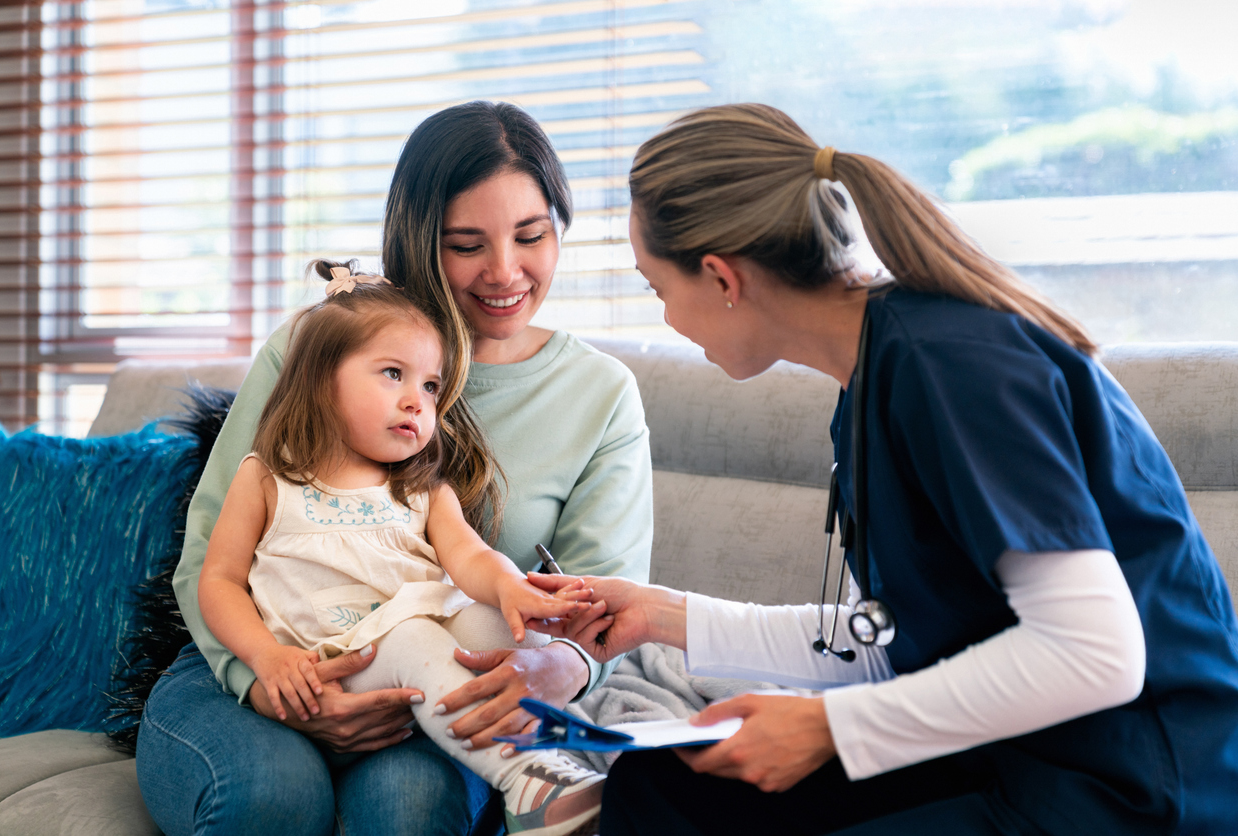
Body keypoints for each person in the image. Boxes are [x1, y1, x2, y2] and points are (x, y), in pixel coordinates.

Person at [529, 103, 1238, 835]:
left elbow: (1096, 654)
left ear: (720, 276)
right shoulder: (873, 379)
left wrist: (827, 727)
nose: (666, 318)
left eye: (657, 289)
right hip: (1009, 749)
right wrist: (663, 616)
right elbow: (894, 641)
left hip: (1124, 784)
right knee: (664, 788)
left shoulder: (950, 367)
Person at [136, 102, 653, 836]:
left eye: (530, 235)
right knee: (271, 797)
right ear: (418, 239)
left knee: (405, 811)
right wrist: (273, 684)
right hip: (270, 650)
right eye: (466, 243)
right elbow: (207, 563)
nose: (504, 271)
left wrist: (547, 669)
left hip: (434, 681)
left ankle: (541, 770)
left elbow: (593, 605)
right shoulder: (323, 343)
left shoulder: (599, 394)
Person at [198, 267, 605, 836]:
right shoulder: (268, 476)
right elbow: (217, 580)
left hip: (417, 674)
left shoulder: (423, 489)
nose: (417, 402)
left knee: (501, 626)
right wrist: (265, 658)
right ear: (320, 381)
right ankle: (528, 784)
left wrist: (514, 587)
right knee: (414, 634)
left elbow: (471, 559)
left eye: (431, 386)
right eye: (394, 374)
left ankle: (560, 759)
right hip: (334, 665)